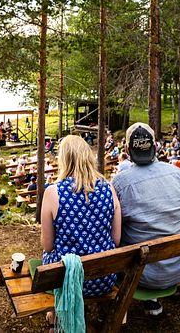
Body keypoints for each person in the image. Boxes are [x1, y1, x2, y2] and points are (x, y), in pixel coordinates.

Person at [111, 122, 180, 316]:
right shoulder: (178, 174)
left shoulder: (120, 182)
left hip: (144, 274)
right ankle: (154, 299)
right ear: (155, 147)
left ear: (127, 150)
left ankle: (147, 298)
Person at [40, 135, 121, 328]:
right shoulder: (109, 189)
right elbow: (116, 240)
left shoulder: (53, 192)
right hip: (104, 278)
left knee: (48, 256)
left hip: (67, 280)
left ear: (63, 160)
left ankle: (55, 314)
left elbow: (48, 245)